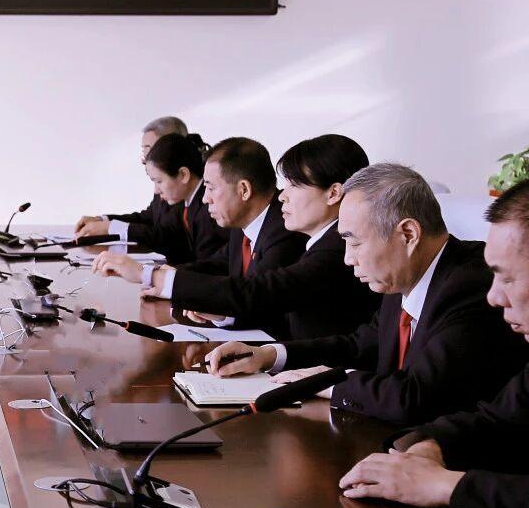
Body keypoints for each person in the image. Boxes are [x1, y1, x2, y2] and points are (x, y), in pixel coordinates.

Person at [208, 163, 528, 426]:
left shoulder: (471, 285)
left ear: (408, 234)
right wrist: (269, 355)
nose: (348, 258)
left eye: (355, 242)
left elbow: (416, 397)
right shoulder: (405, 272)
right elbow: (361, 345)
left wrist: (330, 382)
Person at [337, 179, 529, 508]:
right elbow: (497, 420)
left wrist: (445, 486)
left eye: (508, 279)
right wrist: (429, 446)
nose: (493, 297)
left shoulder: (464, 284)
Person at [109, 135, 379, 339]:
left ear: (333, 193)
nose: (282, 196)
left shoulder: (332, 246)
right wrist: (219, 312)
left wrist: (153, 276)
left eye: (293, 185)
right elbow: (227, 270)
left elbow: (262, 294)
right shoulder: (316, 238)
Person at [94, 137, 307, 315]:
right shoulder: (244, 224)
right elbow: (217, 264)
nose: (205, 199)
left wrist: (148, 274)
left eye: (211, 188)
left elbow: (252, 299)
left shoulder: (285, 229)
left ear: (244, 190)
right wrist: (164, 278)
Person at [75, 116, 197, 254]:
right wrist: (102, 221)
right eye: (143, 150)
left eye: (149, 148)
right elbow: (148, 218)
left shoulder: (183, 185)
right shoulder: (167, 182)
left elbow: (168, 237)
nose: (144, 157)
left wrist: (110, 228)